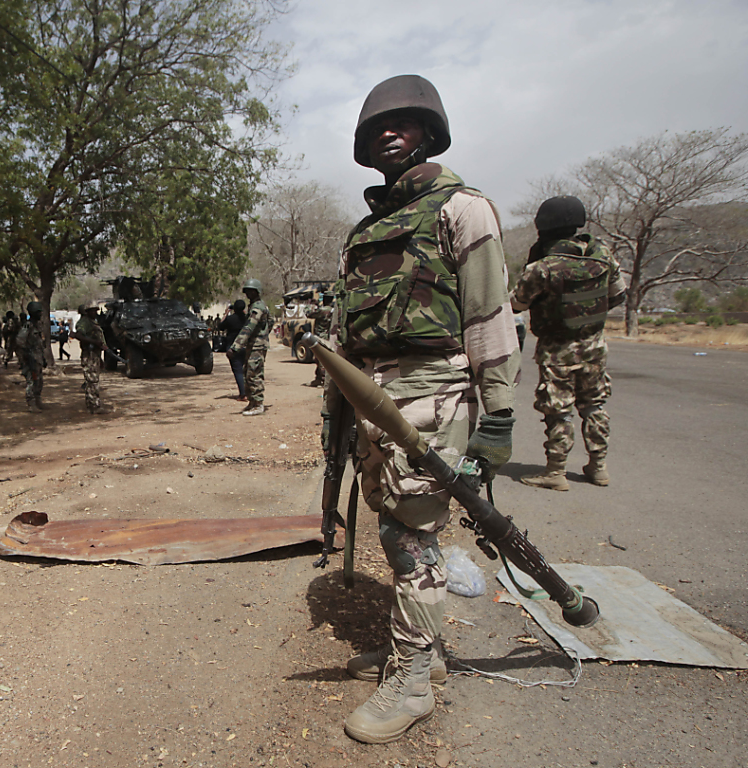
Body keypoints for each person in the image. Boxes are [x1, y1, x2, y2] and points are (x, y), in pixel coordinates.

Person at [331, 75, 520, 744]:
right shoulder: (365, 231)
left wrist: (496, 417)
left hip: (434, 392)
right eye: (377, 125)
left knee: (415, 539)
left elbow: (490, 315)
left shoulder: (462, 209)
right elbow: (346, 338)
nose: (389, 131)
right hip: (375, 399)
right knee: (394, 529)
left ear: (429, 132)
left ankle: (414, 681)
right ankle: (419, 651)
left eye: (405, 121)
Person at [510, 195, 627, 491]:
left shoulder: (544, 267)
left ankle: (556, 471)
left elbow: (517, 303)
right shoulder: (604, 256)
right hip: (595, 347)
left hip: (556, 350)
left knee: (558, 410)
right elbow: (617, 296)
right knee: (594, 405)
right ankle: (598, 468)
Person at [227, 280, 272, 416]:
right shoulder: (257, 305)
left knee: (254, 374)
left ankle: (258, 404)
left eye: (249, 291)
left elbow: (249, 327)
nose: (246, 294)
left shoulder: (257, 307)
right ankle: (252, 402)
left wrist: (235, 347)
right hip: (254, 345)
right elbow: (270, 322)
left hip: (257, 346)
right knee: (248, 373)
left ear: (255, 291)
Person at [73, 301, 112, 414]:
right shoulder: (84, 322)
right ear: (87, 311)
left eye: (96, 310)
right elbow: (78, 335)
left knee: (93, 380)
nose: (95, 312)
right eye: (93, 310)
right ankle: (94, 406)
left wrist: (100, 358)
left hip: (94, 354)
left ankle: (93, 404)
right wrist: (94, 342)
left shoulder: (92, 322)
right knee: (92, 381)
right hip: (89, 354)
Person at [16, 301, 46, 413]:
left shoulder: (38, 325)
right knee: (31, 381)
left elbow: (40, 343)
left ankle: (38, 401)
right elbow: (19, 341)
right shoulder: (27, 326)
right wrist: (26, 357)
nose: (40, 314)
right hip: (30, 359)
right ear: (33, 313)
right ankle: (31, 404)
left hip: (38, 358)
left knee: (39, 381)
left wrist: (43, 358)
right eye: (38, 312)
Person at [219, 300, 248, 400]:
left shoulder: (230, 319)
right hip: (246, 346)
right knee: (247, 370)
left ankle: (243, 394)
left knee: (238, 370)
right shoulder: (247, 319)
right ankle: (249, 392)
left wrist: (226, 313)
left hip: (233, 347)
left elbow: (220, 327)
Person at [306, 292, 334, 387]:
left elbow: (308, 314)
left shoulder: (323, 310)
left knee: (321, 359)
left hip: (320, 337)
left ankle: (322, 379)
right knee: (320, 359)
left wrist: (312, 304)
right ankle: (319, 379)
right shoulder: (332, 310)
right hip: (328, 336)